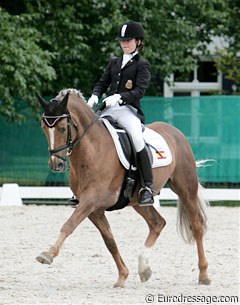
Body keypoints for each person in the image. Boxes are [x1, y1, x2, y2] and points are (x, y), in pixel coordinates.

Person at [88, 21, 154, 206]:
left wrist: (119, 97)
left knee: (136, 137)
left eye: (128, 40)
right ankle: (83, 184)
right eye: (122, 40)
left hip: (128, 110)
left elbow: (139, 91)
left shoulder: (142, 65)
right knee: (87, 133)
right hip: (108, 109)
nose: (124, 43)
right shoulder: (114, 62)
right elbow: (102, 83)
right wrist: (95, 96)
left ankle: (147, 186)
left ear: (138, 41)